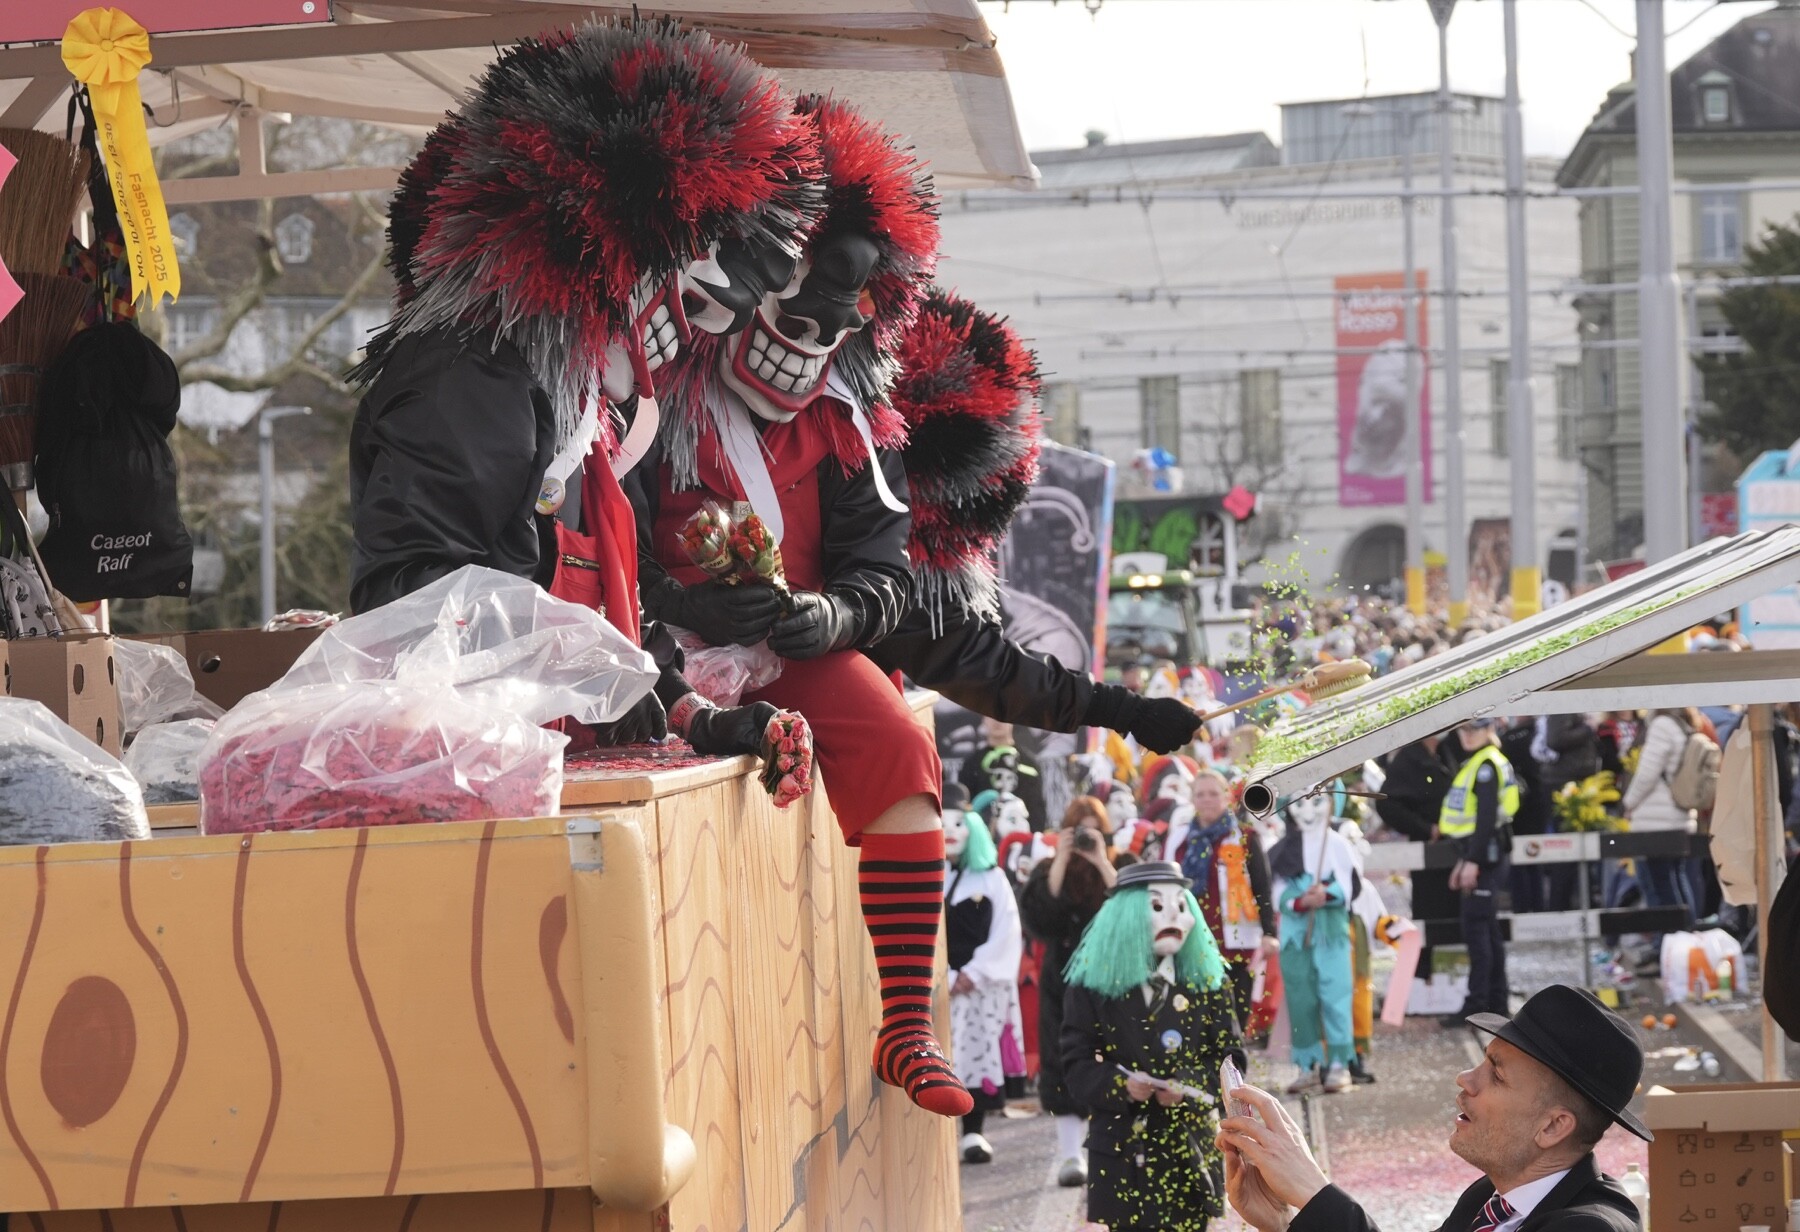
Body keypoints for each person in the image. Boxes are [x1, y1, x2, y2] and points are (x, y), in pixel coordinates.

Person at [1217, 983, 1649, 1232]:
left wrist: (1314, 1192)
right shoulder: (1490, 1196)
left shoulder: (1591, 1227)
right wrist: (1285, 1223)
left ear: (1553, 1126)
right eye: (1483, 1060)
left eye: (1497, 1074)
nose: (1466, 1078)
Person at [1061, 860, 1242, 1232]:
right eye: (1157, 906)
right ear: (1125, 918)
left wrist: (1188, 1084)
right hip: (1123, 1151)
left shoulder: (1208, 983)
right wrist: (1121, 1085)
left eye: (1181, 905)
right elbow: (1075, 1061)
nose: (1172, 916)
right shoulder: (1092, 986)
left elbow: (1231, 1058)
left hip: (1189, 1149)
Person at [1019, 795, 1118, 1188]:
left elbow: (1132, 909)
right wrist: (1060, 858)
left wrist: (1101, 860)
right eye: (1078, 831)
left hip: (1111, 976)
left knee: (1114, 1057)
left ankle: (1109, 1149)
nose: (1085, 839)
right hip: (1062, 978)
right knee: (1061, 1059)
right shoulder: (1049, 869)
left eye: (1093, 830)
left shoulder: (1120, 863)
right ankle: (1071, 1153)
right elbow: (1039, 918)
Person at [940, 785, 1025, 1166]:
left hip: (977, 989)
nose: (950, 831)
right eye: (942, 824)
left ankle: (973, 1131)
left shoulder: (992, 879)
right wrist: (943, 975)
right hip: (936, 987)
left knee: (976, 1054)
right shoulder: (928, 874)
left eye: (958, 823)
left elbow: (1007, 930)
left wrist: (973, 973)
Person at [1165, 768, 1279, 1035]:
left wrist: (1269, 932)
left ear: (1227, 798)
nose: (1207, 799)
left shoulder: (1245, 837)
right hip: (1191, 937)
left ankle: (1235, 1059)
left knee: (1235, 1013)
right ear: (1192, 799)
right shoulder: (1178, 839)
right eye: (1200, 794)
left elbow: (1262, 886)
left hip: (1234, 941)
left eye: (1213, 794)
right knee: (1195, 1012)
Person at [1269, 791, 1361, 1093]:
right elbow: (1276, 892)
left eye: (1317, 800)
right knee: (1301, 1000)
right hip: (1295, 939)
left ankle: (1339, 1064)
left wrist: (1327, 893)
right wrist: (1299, 901)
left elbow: (1349, 885)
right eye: (1300, 802)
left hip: (1331, 934)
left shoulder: (1338, 845)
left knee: (1336, 996)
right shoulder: (1283, 848)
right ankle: (1307, 1065)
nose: (1308, 810)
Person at [1440, 719, 1520, 1028]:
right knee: (1488, 930)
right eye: (1463, 729)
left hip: (1485, 858)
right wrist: (1467, 860)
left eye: (1474, 729)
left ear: (1489, 729)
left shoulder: (1486, 765)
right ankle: (1495, 1004)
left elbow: (1485, 819)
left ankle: (1479, 1005)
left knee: (1478, 931)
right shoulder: (1483, 761)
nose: (1467, 735)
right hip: (1482, 855)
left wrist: (1472, 861)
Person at [1620, 707, 1701, 976]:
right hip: (1676, 817)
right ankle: (1684, 945)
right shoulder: (1682, 723)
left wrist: (1628, 803)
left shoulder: (1662, 725)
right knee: (1676, 880)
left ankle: (1666, 949)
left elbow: (1647, 772)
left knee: (1657, 887)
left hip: (1657, 820)